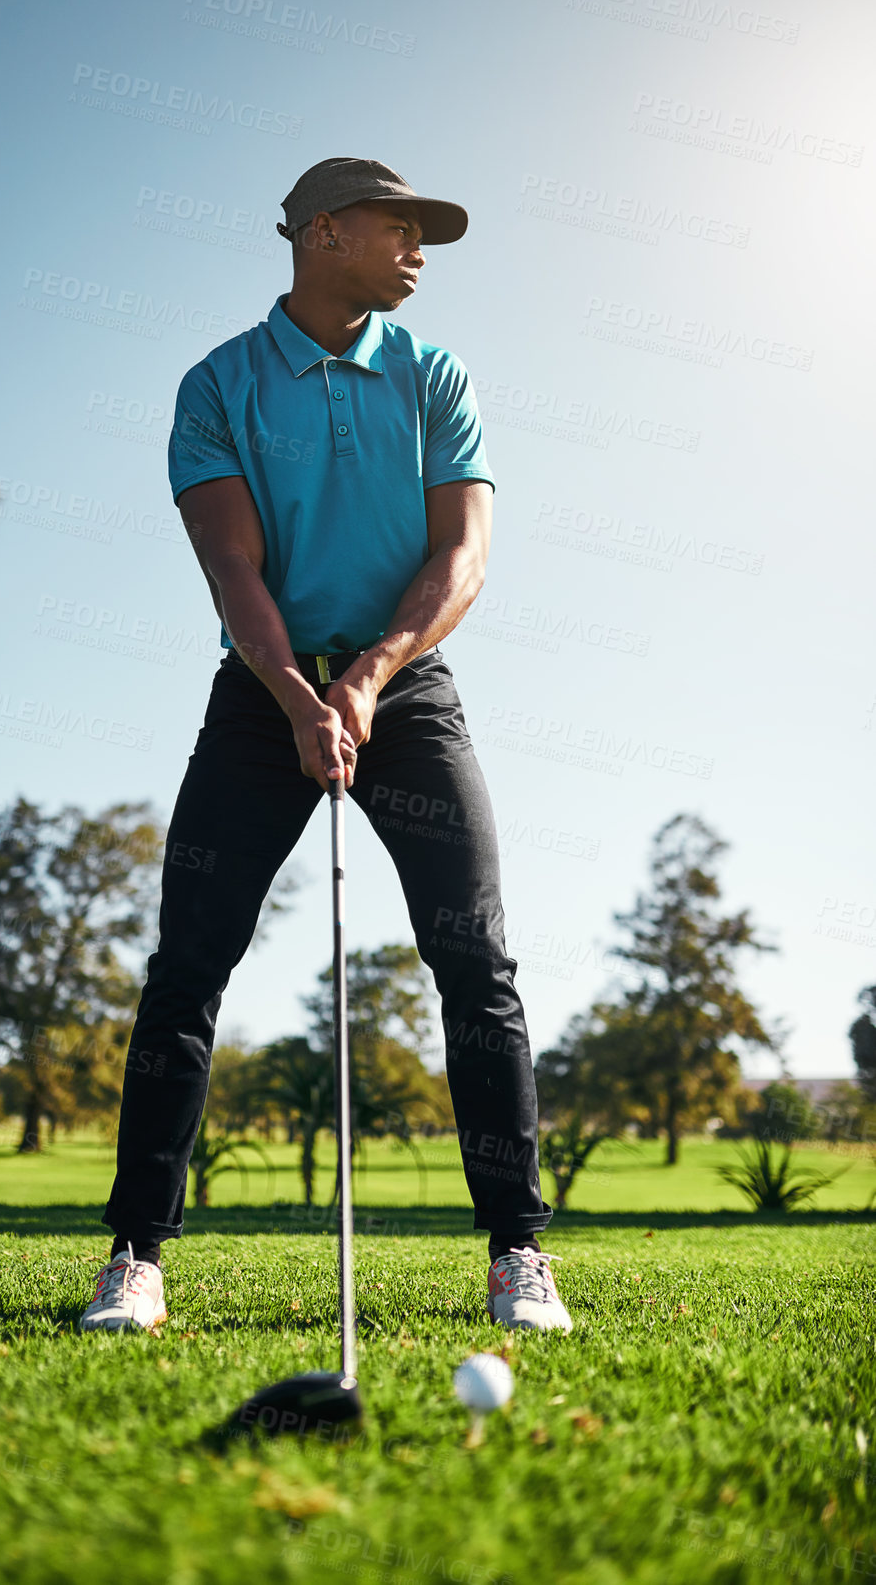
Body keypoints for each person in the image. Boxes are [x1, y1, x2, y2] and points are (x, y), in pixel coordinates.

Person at [79, 157, 572, 1337]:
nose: (419, 251)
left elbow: (462, 561)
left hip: (407, 683)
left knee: (477, 961)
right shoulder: (220, 384)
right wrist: (302, 696)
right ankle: (137, 1256)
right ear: (325, 231)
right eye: (401, 228)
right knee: (189, 966)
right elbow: (232, 569)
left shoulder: (433, 373)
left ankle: (518, 1254)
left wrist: (365, 680)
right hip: (263, 693)